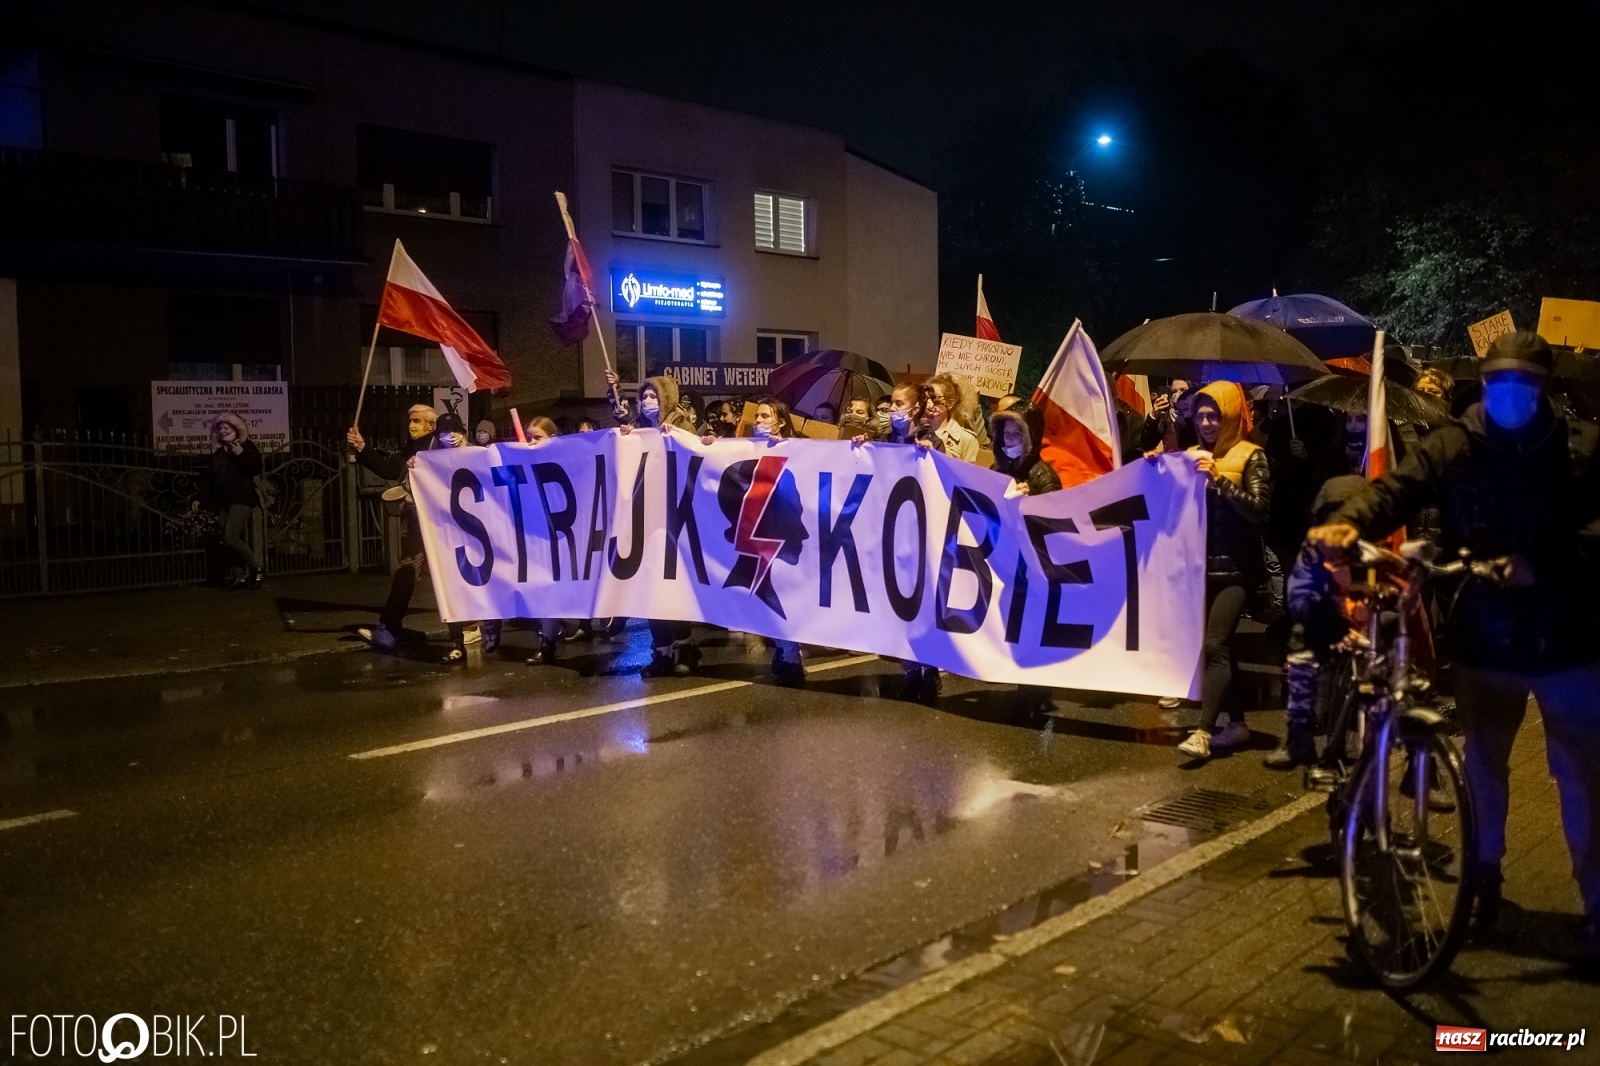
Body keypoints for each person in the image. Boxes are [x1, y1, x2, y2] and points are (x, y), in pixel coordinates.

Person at [1308, 332, 1600, 957]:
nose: (1511, 395)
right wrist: (1349, 521)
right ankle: (1481, 887)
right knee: (1483, 773)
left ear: (1546, 389)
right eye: (1501, 383)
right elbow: (1398, 489)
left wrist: (1542, 566)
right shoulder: (1455, 442)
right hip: (1486, 641)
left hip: (1567, 643)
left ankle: (1597, 908)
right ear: (1485, 386)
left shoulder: (1582, 452)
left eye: (1525, 383)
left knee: (1580, 780)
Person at [1160, 382, 1272, 760]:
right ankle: (1237, 724)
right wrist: (1157, 468)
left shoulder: (1252, 456)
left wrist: (1219, 480)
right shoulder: (1194, 454)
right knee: (1215, 650)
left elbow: (1258, 510)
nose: (1207, 422)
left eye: (1215, 415)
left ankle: (1204, 731)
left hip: (1238, 571)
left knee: (1216, 645)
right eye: (1201, 415)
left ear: (1231, 415)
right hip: (1200, 568)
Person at [1263, 475, 1367, 768]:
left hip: (1373, 626)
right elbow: (1298, 596)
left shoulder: (1380, 541)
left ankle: (1422, 767)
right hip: (1328, 622)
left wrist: (1364, 618)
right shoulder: (1315, 546)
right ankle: (1300, 741)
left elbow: (1402, 592)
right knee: (1300, 652)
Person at [702, 397, 807, 685]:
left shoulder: (801, 450)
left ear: (781, 422)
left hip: (782, 535)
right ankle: (786, 653)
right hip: (757, 535)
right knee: (766, 597)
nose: (758, 421)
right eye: (757, 417)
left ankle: (791, 656)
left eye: (764, 416)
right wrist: (710, 445)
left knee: (784, 595)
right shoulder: (747, 448)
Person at [620, 374, 702, 675]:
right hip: (647, 520)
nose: (647, 402)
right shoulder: (640, 430)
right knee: (652, 589)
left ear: (666, 398)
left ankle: (684, 648)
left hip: (676, 520)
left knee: (674, 589)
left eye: (654, 396)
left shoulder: (682, 426)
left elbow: (695, 458)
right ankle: (662, 652)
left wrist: (678, 439)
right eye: (644, 397)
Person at [992, 402, 1062, 715]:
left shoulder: (1043, 475)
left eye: (1016, 433)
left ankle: (1038, 690)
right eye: (1005, 433)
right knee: (1013, 623)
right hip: (1007, 562)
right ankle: (1023, 684)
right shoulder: (997, 469)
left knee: (1032, 625)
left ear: (1030, 435)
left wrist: (1028, 502)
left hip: (1032, 566)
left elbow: (1051, 520)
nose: (1009, 439)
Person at [348, 404, 436, 651]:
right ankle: (387, 630)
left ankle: (471, 626)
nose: (412, 426)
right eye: (410, 421)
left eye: (418, 421)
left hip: (443, 527)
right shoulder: (412, 448)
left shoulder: (440, 447)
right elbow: (390, 468)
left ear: (431, 425)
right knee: (406, 574)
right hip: (419, 525)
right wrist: (362, 447)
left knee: (451, 576)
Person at [209, 413, 264, 590]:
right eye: (220, 428)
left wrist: (241, 454)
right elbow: (213, 478)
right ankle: (239, 576)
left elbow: (256, 469)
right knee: (228, 540)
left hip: (241, 499)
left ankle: (257, 568)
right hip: (223, 501)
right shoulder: (218, 453)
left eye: (227, 428)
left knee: (230, 536)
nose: (222, 431)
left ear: (235, 430)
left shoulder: (246, 447)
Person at [925, 373, 979, 461]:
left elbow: (967, 473)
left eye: (935, 398)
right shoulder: (916, 429)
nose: (929, 404)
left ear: (951, 402)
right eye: (925, 398)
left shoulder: (965, 439)